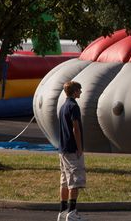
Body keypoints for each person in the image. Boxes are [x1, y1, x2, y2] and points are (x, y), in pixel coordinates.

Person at [57, 81, 86, 221]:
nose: (81, 92)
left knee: (64, 181)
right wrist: (79, 148)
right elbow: (75, 128)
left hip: (62, 148)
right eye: (79, 90)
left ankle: (62, 211)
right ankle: (72, 212)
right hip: (72, 149)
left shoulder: (63, 107)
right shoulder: (74, 106)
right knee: (74, 180)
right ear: (74, 92)